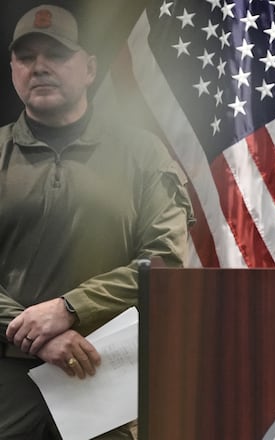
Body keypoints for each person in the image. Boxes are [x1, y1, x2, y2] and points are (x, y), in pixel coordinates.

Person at [0, 4, 193, 439]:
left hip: (103, 381)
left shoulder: (142, 156)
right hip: (7, 389)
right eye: (26, 57)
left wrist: (71, 309)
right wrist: (37, 335)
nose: (40, 67)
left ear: (88, 69)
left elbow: (163, 264)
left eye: (56, 55)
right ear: (12, 69)